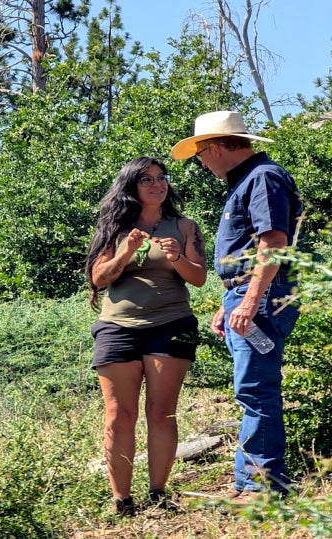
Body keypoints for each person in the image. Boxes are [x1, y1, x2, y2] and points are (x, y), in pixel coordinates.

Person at [171, 110, 303, 502]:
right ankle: (252, 481)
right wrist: (231, 302)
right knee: (253, 388)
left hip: (262, 296)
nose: (201, 163)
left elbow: (273, 243)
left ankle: (261, 486)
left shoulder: (262, 177)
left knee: (256, 390)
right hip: (251, 295)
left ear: (215, 148)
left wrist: (249, 300)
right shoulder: (250, 179)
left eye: (200, 154)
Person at [84, 157, 208, 517]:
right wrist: (125, 252)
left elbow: (199, 278)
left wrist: (177, 257)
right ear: (131, 187)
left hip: (171, 324)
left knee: (161, 412)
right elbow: (98, 278)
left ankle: (157, 493)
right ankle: (122, 500)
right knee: (118, 415)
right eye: (147, 179)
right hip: (117, 328)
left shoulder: (184, 226)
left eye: (161, 177)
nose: (157, 184)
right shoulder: (114, 227)